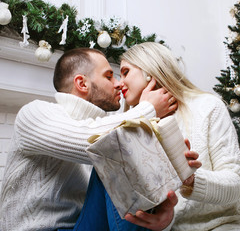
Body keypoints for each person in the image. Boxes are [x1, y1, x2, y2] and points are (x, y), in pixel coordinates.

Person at [0, 47, 200, 231]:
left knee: (124, 149)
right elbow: (93, 142)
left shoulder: (107, 125)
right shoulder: (34, 113)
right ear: (82, 83)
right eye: (109, 76)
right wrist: (147, 109)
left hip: (84, 225)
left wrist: (164, 213)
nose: (118, 84)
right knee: (117, 148)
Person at [118, 42, 240, 231]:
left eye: (125, 72)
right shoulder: (134, 127)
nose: (120, 83)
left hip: (225, 226)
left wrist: (191, 180)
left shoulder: (208, 107)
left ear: (148, 70)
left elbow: (235, 186)